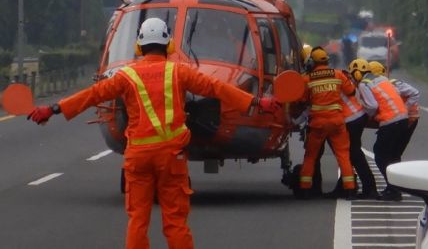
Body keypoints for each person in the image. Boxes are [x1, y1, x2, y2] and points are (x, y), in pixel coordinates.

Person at [27, 17, 278, 249]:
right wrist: (256, 102)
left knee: (138, 220)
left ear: (139, 46)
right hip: (172, 156)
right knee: (176, 221)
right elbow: (217, 88)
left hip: (138, 157)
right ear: (168, 44)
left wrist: (53, 108)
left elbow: (92, 95)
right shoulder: (179, 72)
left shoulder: (126, 76)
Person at [298, 46, 356, 200]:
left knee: (310, 156)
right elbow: (351, 92)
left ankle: (305, 190)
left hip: (317, 123)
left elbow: (302, 100)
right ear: (327, 60)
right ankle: (350, 190)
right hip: (337, 122)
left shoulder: (307, 79)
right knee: (343, 155)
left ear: (312, 62)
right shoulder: (338, 75)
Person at [348, 58, 408, 201]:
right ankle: (394, 188)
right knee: (392, 156)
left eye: (352, 76)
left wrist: (364, 113)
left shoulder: (364, 84)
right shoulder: (381, 79)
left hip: (390, 121)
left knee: (380, 155)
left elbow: (372, 106)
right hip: (403, 118)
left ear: (357, 74)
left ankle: (393, 189)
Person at [369, 60, 420, 161]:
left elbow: (415, 93)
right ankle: (394, 172)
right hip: (405, 119)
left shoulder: (393, 84)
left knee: (388, 153)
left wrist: (404, 108)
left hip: (407, 119)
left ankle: (392, 173)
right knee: (393, 153)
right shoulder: (384, 85)